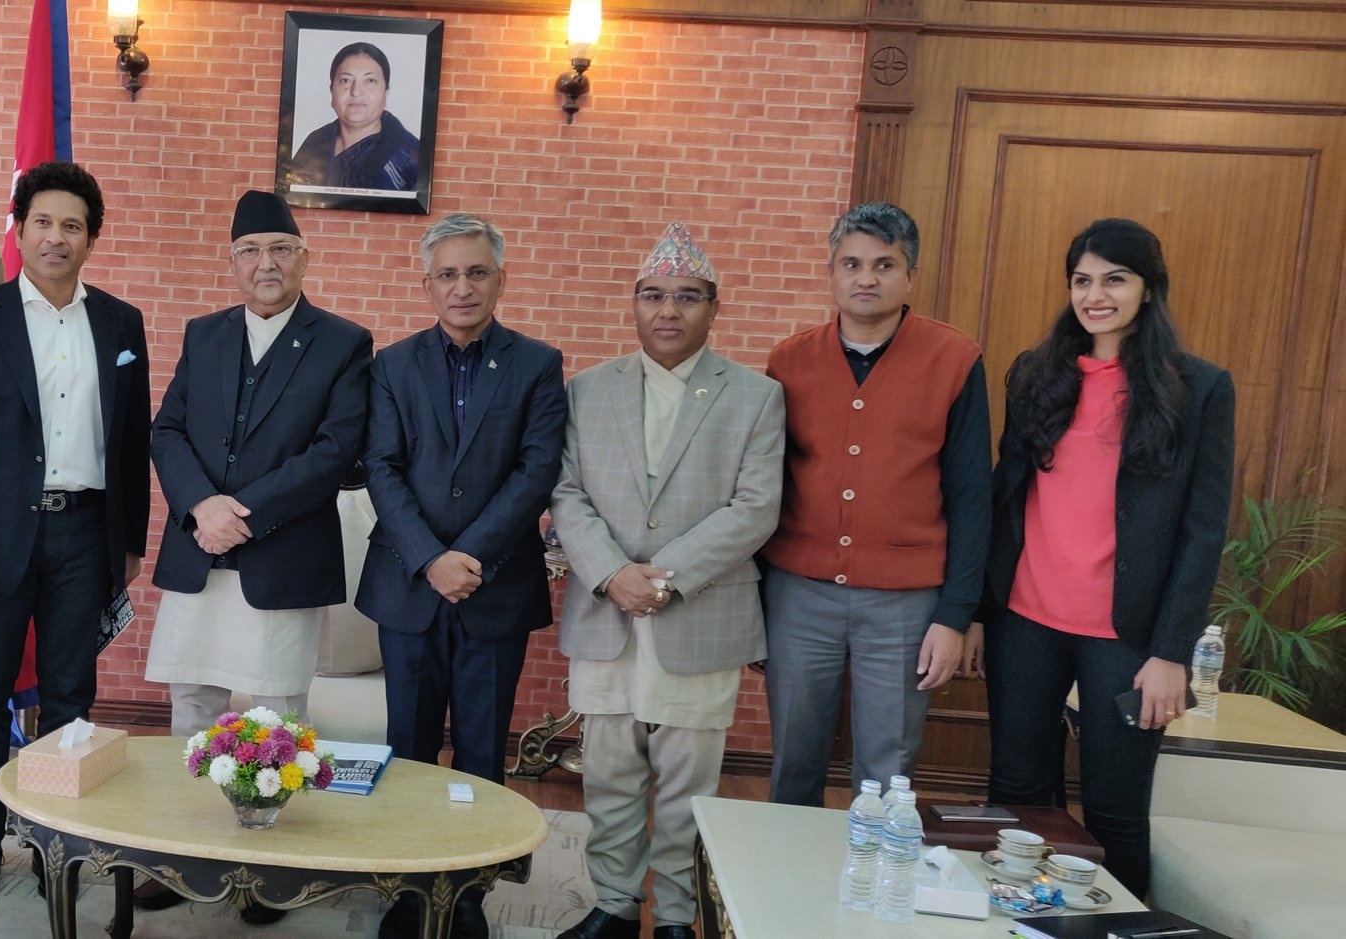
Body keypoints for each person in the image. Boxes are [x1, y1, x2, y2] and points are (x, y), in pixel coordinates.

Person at [975, 218, 1233, 895]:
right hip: (1025, 617)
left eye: (1114, 278)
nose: (1097, 295)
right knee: (1020, 795)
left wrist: (1173, 650)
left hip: (1129, 635)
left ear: (1147, 289)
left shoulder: (1199, 388)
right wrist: (976, 611)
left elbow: (1203, 530)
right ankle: (1026, 917)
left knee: (1115, 807)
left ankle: (1114, 924)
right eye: (1083, 280)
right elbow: (1004, 502)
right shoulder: (1034, 373)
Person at [0, 161, 152, 911]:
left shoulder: (121, 323)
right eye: (43, 222)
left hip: (85, 534)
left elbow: (131, 439)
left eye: (73, 225)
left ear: (92, 237)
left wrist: (127, 545)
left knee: (71, 698)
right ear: (19, 228)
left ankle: (57, 842)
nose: (56, 237)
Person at [138, 189, 371, 924]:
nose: (264, 264)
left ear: (303, 257)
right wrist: (201, 506)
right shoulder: (203, 334)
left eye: (279, 249)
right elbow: (166, 430)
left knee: (277, 718)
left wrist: (243, 514)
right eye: (249, 251)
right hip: (199, 552)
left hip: (280, 555)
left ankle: (266, 869)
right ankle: (184, 856)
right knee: (193, 708)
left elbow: (336, 450)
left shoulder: (343, 342)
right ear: (231, 262)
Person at [548, 223, 784, 939]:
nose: (667, 310)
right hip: (607, 614)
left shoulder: (755, 395)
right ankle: (615, 904)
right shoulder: (587, 389)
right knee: (610, 775)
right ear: (634, 304)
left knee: (687, 785)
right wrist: (614, 573)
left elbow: (756, 507)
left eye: (687, 296)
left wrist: (665, 578)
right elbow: (564, 493)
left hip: (699, 614)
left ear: (714, 307)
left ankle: (678, 916)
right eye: (652, 295)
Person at [359, 213, 567, 939]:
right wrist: (431, 558)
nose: (462, 286)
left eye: (477, 272)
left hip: (495, 587)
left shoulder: (539, 364)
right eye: (447, 273)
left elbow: (536, 470)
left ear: (500, 279)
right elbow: (380, 469)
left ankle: (469, 893)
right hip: (408, 586)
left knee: (482, 750)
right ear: (427, 283)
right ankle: (407, 888)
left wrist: (467, 557)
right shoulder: (390, 365)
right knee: (407, 746)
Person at [759, 201, 990, 807]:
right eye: (852, 263)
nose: (867, 278)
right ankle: (783, 891)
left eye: (884, 264)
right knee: (793, 752)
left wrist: (957, 615)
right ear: (832, 273)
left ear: (910, 275)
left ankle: (873, 888)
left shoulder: (955, 359)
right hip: (798, 591)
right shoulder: (788, 361)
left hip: (907, 602)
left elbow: (972, 495)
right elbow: (764, 484)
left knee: (889, 764)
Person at [287, 41, 420, 191]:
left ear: (385, 92)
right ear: (332, 91)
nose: (356, 91)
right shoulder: (315, 142)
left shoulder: (410, 156)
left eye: (370, 81)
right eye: (345, 80)